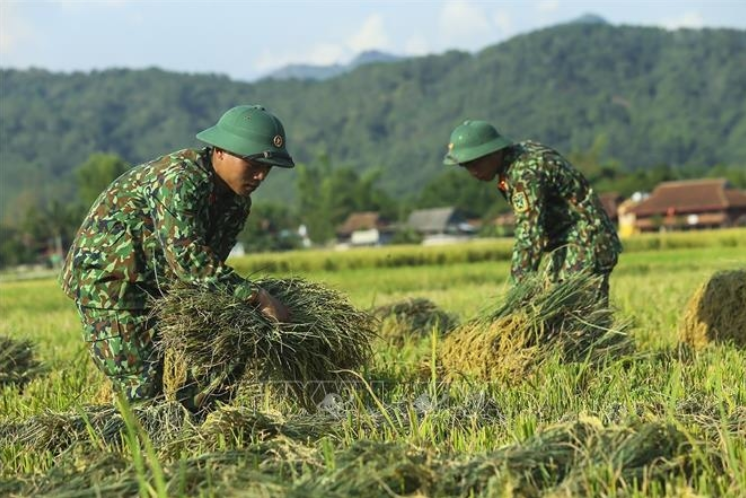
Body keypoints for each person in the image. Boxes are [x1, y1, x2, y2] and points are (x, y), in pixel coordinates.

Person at [60, 104, 293, 412]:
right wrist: (258, 297)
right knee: (143, 391)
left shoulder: (237, 203)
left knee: (228, 347)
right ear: (220, 151)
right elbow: (189, 259)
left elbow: (209, 270)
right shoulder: (180, 179)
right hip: (112, 285)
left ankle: (201, 427)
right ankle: (138, 451)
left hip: (160, 285)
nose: (260, 175)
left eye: (268, 167)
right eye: (252, 164)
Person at [443, 120, 622, 304]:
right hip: (567, 245)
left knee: (580, 319)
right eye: (465, 165)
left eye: (475, 162)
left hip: (585, 244)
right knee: (560, 320)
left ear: (494, 152)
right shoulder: (517, 160)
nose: (472, 171)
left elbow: (529, 235)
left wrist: (517, 293)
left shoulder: (524, 173)